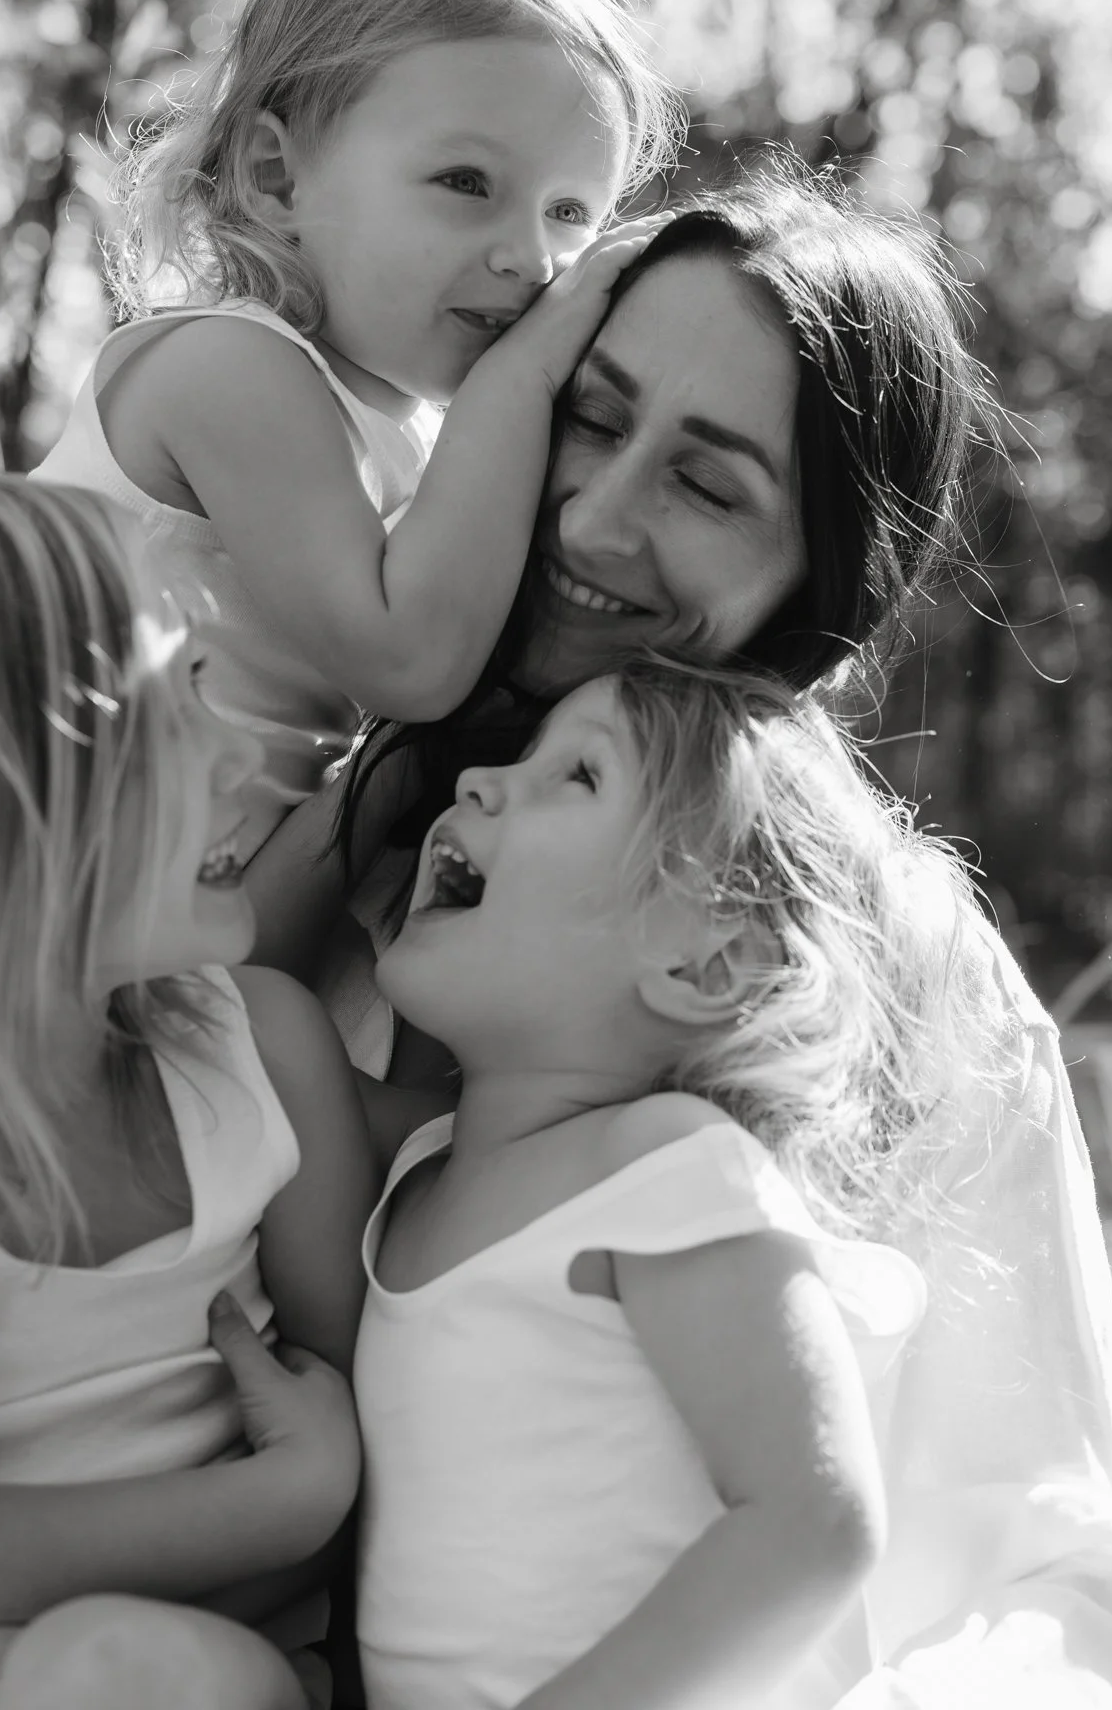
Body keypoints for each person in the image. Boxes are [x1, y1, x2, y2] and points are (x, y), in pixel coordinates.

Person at [248, 167, 1112, 1708]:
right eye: (586, 413)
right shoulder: (303, 789)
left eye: (707, 484)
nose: (595, 517)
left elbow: (1069, 1572)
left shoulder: (896, 978)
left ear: (812, 591)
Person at [354, 655, 1011, 1708]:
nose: (480, 779)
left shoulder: (662, 1164)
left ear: (702, 963)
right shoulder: (419, 1168)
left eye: (577, 775)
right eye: (520, 755)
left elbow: (813, 1521)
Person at [32, 0, 682, 860]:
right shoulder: (230, 369)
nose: (532, 256)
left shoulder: (420, 433)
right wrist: (516, 380)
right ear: (275, 176)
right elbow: (407, 662)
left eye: (569, 212)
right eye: (466, 180)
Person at [0, 478, 377, 1710]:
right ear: (20, 801)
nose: (239, 747)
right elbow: (316, 1481)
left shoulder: (260, 1056)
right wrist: (266, 1501)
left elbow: (375, 1431)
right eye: (181, 698)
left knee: (107, 1668)